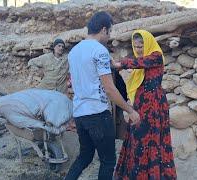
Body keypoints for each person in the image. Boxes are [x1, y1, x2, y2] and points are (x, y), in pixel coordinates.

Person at [65, 11, 140, 180]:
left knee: (84, 157)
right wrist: (130, 110)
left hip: (79, 113)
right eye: (110, 32)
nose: (109, 36)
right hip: (98, 114)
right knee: (108, 161)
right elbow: (109, 89)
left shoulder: (74, 52)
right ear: (104, 29)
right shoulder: (100, 50)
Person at [113, 30, 177, 180]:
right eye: (136, 46)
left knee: (152, 139)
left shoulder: (156, 56)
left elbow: (140, 62)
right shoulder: (142, 60)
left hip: (154, 105)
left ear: (148, 43)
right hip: (140, 105)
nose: (139, 50)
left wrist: (120, 63)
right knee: (138, 139)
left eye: (141, 46)